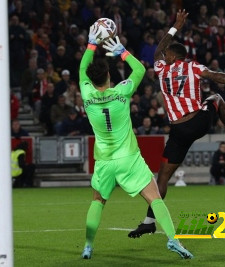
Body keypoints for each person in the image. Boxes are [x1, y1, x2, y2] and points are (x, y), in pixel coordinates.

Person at [129, 9, 225, 239]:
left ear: (171, 57)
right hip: (196, 122)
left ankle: (148, 221)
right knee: (215, 98)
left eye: (167, 55)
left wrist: (175, 27)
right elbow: (217, 76)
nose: (165, 56)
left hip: (178, 130)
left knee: (161, 179)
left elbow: (159, 49)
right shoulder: (192, 66)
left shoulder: (162, 69)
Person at [79, 24, 193, 260]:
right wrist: (122, 50)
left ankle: (88, 246)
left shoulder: (87, 94)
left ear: (90, 80)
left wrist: (91, 44)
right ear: (110, 76)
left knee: (98, 202)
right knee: (155, 198)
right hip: (129, 159)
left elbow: (82, 69)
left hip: (104, 160)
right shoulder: (122, 93)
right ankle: (174, 240)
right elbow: (140, 70)